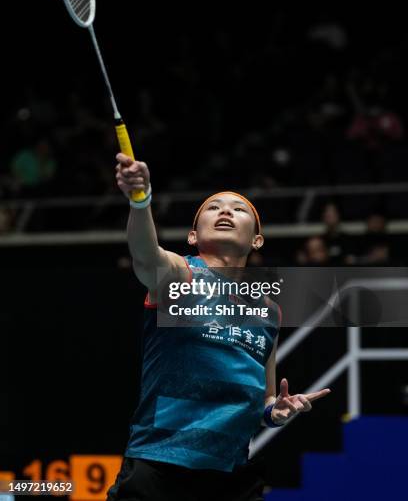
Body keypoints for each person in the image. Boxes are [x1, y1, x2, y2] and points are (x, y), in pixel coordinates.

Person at [108, 153, 331, 501]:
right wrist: (141, 200)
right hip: (160, 466)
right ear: (193, 236)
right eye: (214, 207)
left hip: (231, 477)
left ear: (257, 240)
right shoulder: (180, 275)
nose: (226, 211)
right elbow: (145, 254)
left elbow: (265, 400)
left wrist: (277, 412)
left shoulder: (269, 311)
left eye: (239, 209)